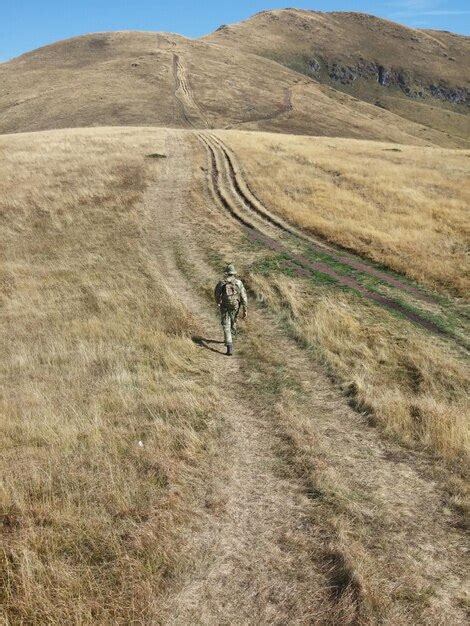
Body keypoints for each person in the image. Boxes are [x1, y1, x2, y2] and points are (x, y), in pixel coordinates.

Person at [214, 264, 247, 356]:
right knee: (233, 321)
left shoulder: (222, 282)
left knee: (225, 324)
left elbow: (216, 293)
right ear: (233, 273)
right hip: (235, 305)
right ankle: (232, 334)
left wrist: (218, 302)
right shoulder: (239, 283)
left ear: (226, 273)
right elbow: (244, 296)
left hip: (224, 305)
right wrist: (245, 309)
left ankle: (229, 345)